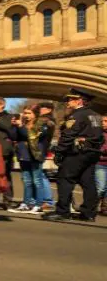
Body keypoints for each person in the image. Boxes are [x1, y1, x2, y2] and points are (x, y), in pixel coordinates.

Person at [44, 89, 104, 222]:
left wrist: (59, 151)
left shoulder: (77, 116)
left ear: (80, 100)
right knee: (88, 182)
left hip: (77, 153)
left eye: (71, 99)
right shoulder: (96, 115)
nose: (68, 102)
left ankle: (62, 212)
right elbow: (100, 137)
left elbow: (68, 135)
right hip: (91, 153)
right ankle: (88, 213)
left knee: (64, 180)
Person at [11, 106, 54, 214]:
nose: (26, 115)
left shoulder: (41, 124)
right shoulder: (23, 124)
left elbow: (31, 135)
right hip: (23, 156)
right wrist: (14, 126)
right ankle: (26, 203)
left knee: (37, 181)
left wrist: (20, 125)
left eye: (29, 113)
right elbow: (13, 136)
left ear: (35, 114)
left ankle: (38, 205)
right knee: (27, 181)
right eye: (25, 113)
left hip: (35, 156)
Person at [97, 115, 107, 216]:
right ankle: (90, 206)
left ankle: (104, 208)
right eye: (102, 121)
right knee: (101, 187)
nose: (103, 123)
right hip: (100, 163)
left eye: (106, 121)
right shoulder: (99, 133)